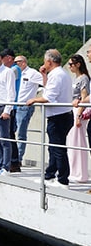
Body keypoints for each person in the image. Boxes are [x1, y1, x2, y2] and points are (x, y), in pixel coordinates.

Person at [27, 49, 73, 188]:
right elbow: (49, 89)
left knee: (58, 149)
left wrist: (33, 99)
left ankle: (63, 180)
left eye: (44, 61)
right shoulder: (61, 74)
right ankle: (50, 175)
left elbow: (48, 97)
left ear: (49, 61)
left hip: (58, 117)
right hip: (62, 115)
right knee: (53, 148)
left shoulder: (57, 75)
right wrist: (43, 75)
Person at [14, 56, 43, 165]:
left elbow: (46, 83)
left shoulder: (32, 73)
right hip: (15, 105)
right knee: (13, 133)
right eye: (15, 62)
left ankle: (19, 159)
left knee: (21, 133)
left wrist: (35, 98)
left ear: (24, 62)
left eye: (18, 62)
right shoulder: (16, 74)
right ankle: (14, 157)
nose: (16, 64)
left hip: (25, 106)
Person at [66, 54, 90, 183]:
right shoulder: (76, 78)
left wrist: (79, 115)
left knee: (78, 143)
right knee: (72, 143)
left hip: (78, 112)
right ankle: (74, 171)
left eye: (71, 64)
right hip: (74, 111)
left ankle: (80, 174)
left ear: (78, 64)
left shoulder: (84, 79)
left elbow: (84, 97)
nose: (69, 66)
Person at [0, 48, 21, 172]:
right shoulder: (12, 70)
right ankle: (9, 160)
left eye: (2, 59)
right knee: (7, 135)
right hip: (10, 106)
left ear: (9, 58)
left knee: (9, 135)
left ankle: (13, 162)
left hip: (11, 106)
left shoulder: (13, 70)